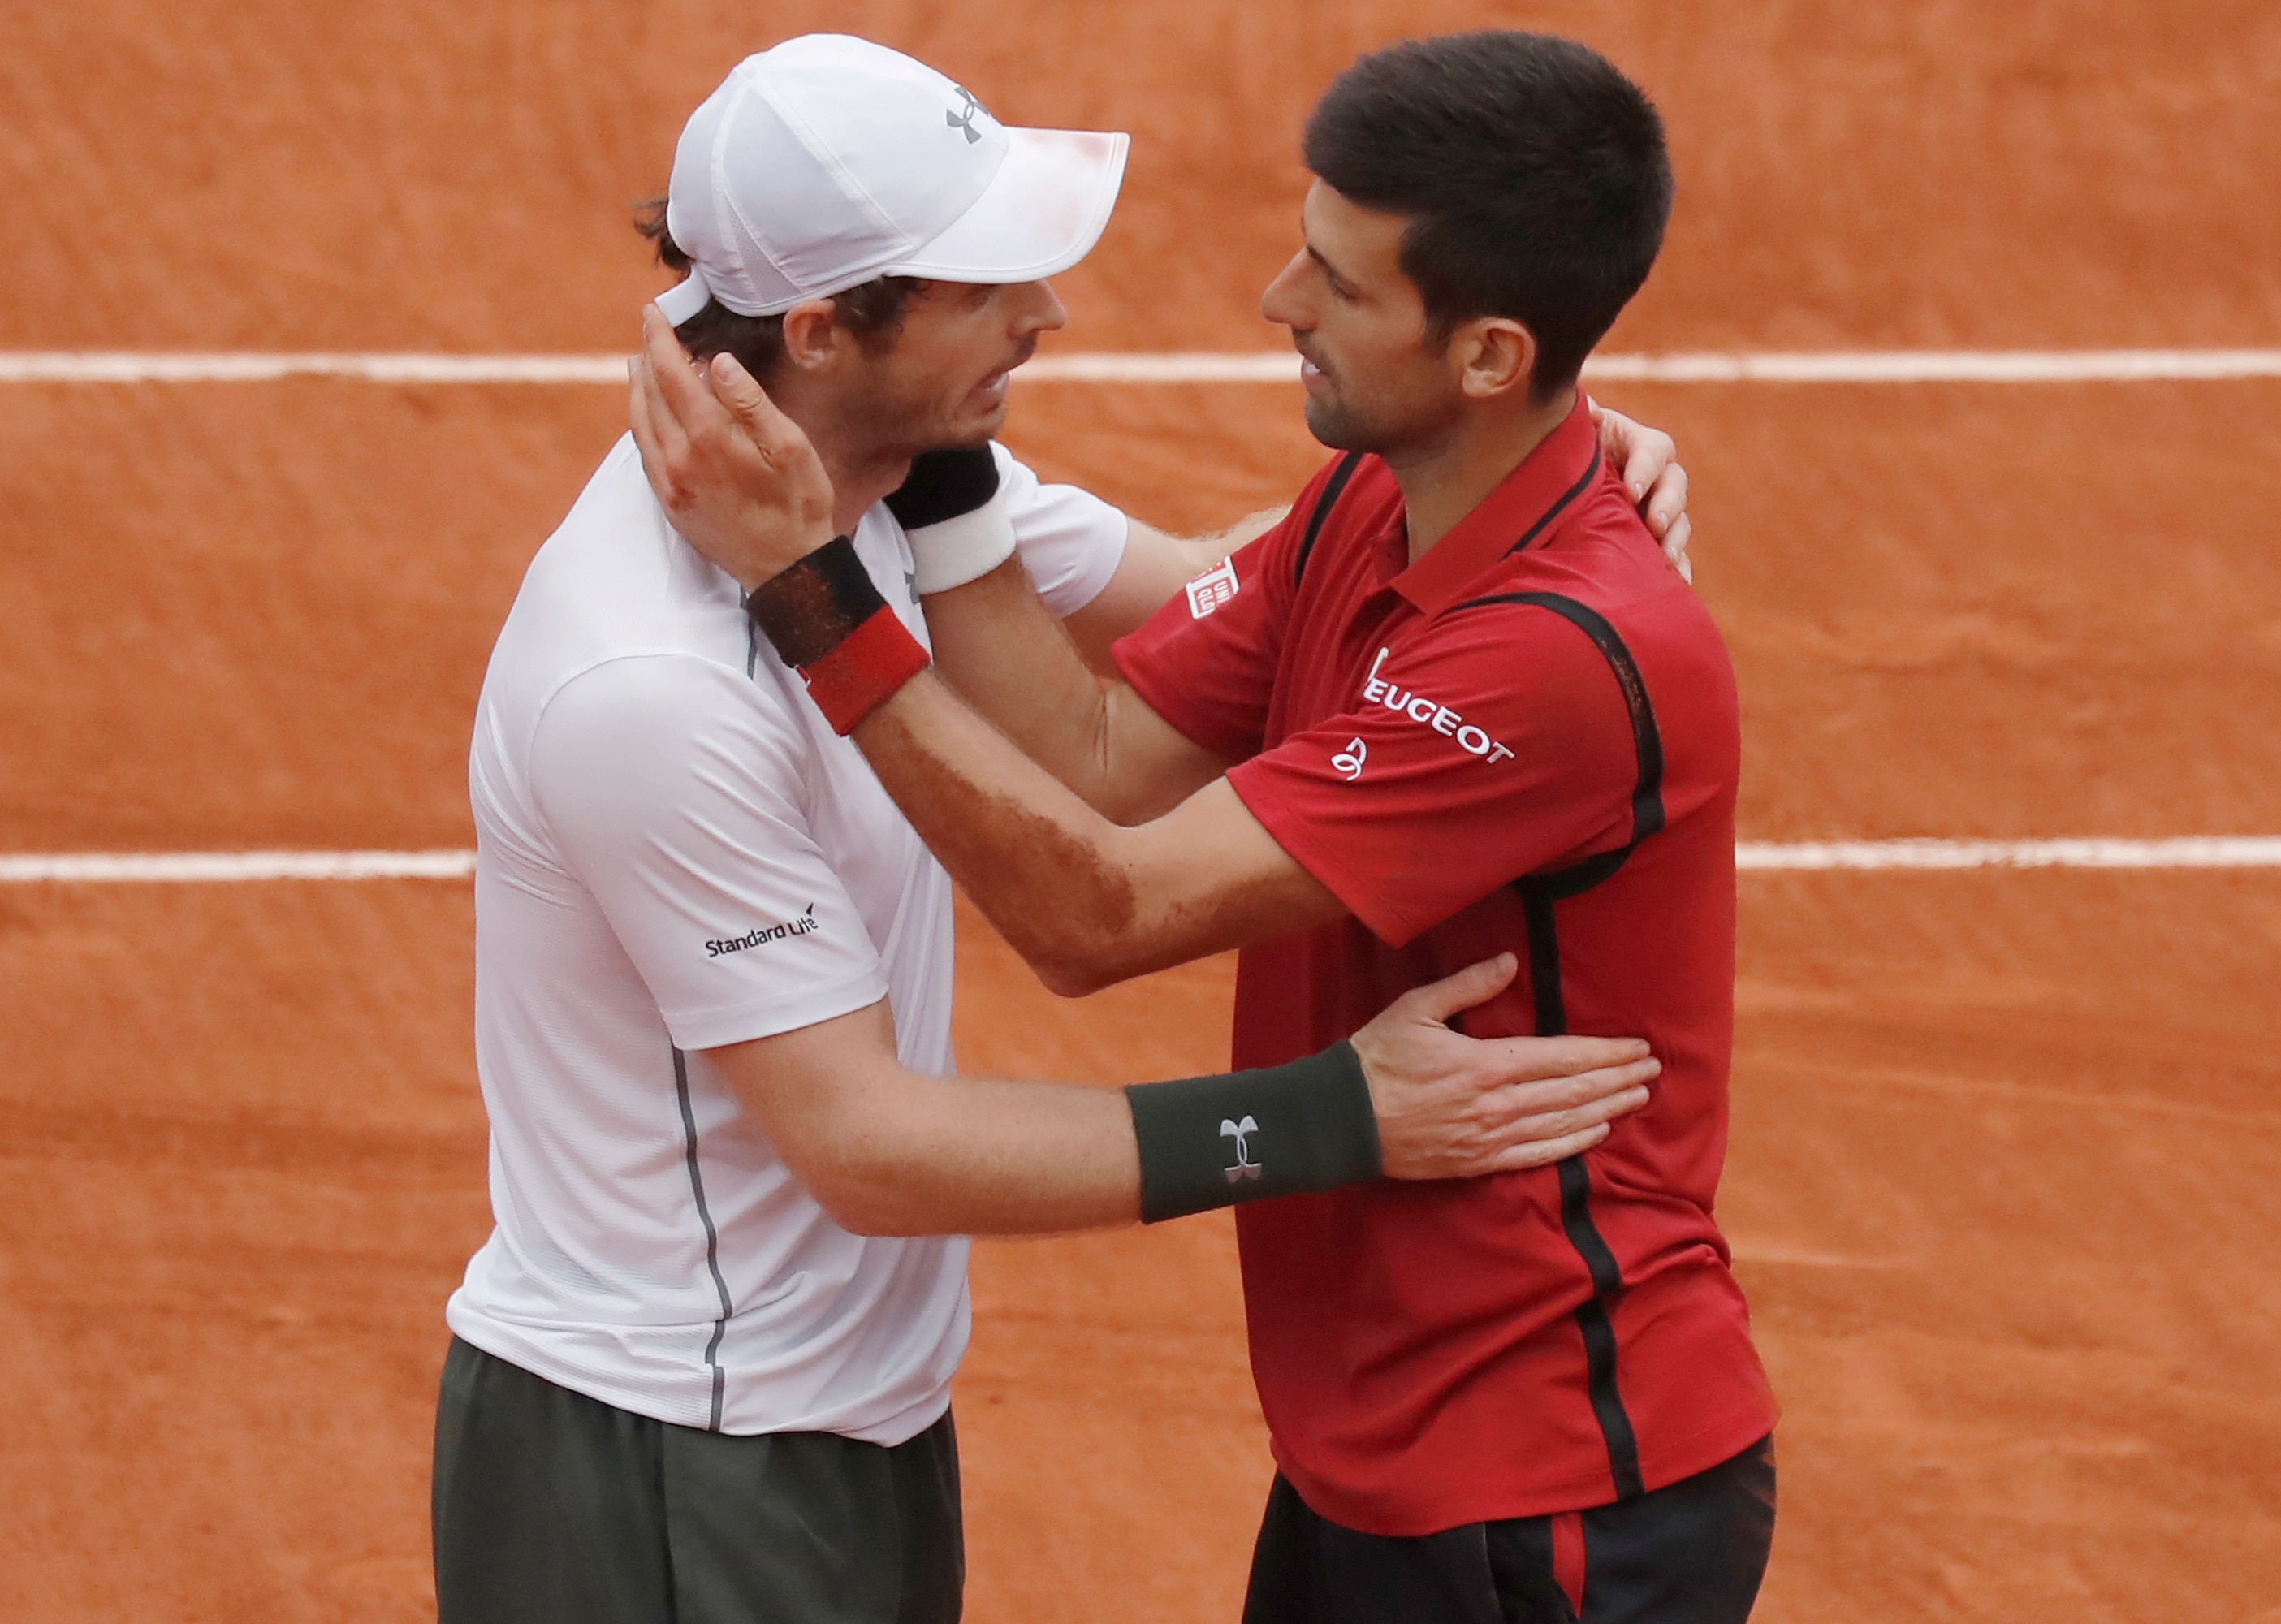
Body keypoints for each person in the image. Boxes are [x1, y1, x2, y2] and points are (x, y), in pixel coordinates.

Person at [438, 33, 1694, 1624]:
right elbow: (865, 1144)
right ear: (823, 327)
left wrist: (1541, 456)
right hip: (671, 1461)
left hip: (844, 1416)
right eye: (988, 284)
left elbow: (1260, 593)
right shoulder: (652, 681)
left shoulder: (888, 479)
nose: (1048, 311)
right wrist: (1328, 1118)